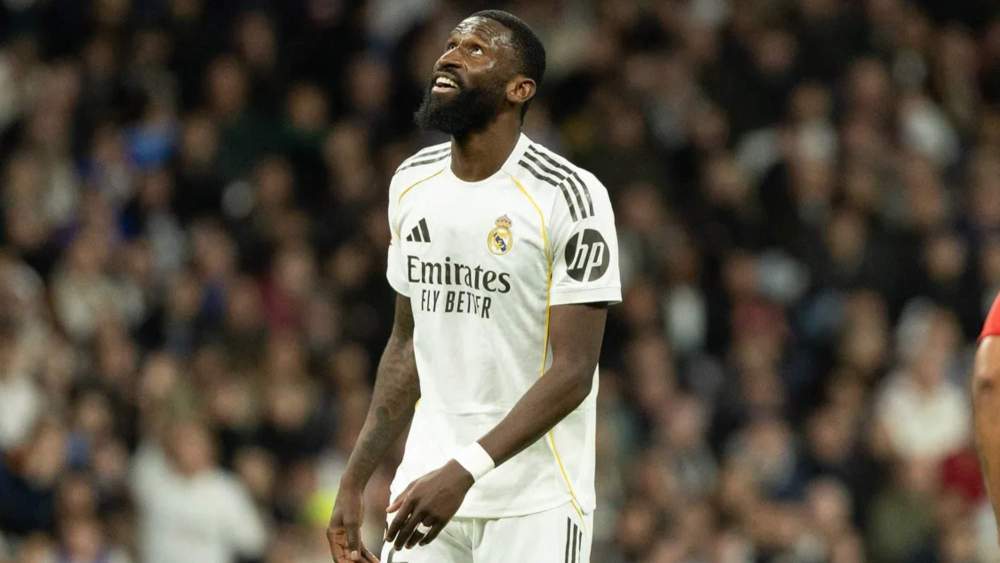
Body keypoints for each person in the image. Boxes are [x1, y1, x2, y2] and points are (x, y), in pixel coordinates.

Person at [326, 10, 620, 563]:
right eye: (451, 44)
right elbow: (406, 345)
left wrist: (467, 470)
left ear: (519, 88)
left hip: (535, 501)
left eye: (477, 49)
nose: (450, 55)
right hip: (426, 483)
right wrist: (354, 478)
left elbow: (575, 370)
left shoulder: (571, 197)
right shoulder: (412, 183)